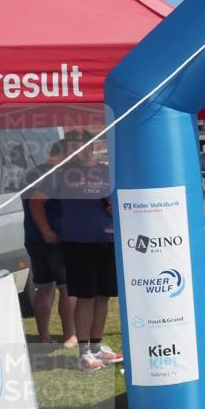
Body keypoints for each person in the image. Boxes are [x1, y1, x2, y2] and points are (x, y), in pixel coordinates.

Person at [57, 136, 123, 371]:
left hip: (107, 239)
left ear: (93, 147)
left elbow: (114, 201)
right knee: (85, 297)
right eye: (74, 147)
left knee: (103, 296)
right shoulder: (64, 174)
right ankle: (83, 351)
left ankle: (96, 346)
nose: (80, 151)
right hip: (79, 242)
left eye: (84, 146)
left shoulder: (105, 172)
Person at [23, 141, 77, 348]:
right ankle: (69, 336)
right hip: (53, 237)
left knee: (43, 288)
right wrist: (48, 231)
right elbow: (36, 203)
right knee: (67, 288)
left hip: (33, 238)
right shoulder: (57, 173)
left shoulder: (30, 173)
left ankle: (44, 336)